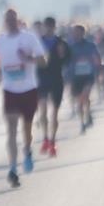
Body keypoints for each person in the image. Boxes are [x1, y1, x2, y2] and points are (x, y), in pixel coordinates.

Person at [0, 8, 46, 187]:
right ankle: (13, 168)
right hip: (10, 90)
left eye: (13, 18)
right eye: (8, 19)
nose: (11, 21)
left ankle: (28, 150)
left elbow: (43, 61)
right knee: (11, 130)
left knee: (27, 129)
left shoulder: (28, 38)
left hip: (28, 89)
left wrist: (28, 58)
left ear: (18, 19)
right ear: (4, 21)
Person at [35, 16, 70, 157]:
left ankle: (53, 141)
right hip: (42, 79)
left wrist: (62, 56)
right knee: (43, 111)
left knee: (54, 113)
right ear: (44, 26)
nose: (49, 28)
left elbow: (67, 59)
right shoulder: (38, 42)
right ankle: (45, 138)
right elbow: (32, 58)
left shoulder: (61, 42)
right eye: (47, 25)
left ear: (54, 27)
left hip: (56, 79)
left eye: (51, 26)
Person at [68, 24, 101, 133]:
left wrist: (97, 68)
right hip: (76, 77)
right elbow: (66, 62)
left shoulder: (91, 45)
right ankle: (82, 122)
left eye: (77, 32)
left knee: (85, 95)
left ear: (83, 33)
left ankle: (88, 113)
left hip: (88, 75)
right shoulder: (70, 46)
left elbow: (97, 58)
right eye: (74, 32)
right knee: (80, 102)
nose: (75, 34)